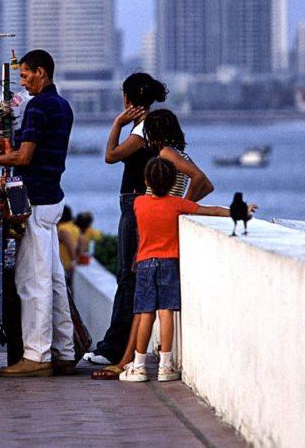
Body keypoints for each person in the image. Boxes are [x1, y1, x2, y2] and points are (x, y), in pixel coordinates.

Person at [92, 107, 215, 380]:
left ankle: (127, 361)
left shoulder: (167, 154)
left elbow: (202, 181)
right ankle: (127, 360)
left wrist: (180, 207)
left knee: (142, 305)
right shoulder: (178, 154)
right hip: (160, 232)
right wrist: (183, 207)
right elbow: (203, 184)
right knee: (143, 304)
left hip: (152, 234)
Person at [119, 157, 256, 382]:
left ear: (146, 181)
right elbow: (210, 210)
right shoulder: (177, 204)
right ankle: (165, 366)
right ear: (173, 182)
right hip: (169, 263)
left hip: (144, 264)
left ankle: (139, 366)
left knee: (145, 315)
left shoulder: (139, 203)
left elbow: (143, 197)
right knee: (166, 313)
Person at [0, 49, 76, 377]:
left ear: (41, 72)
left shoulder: (38, 107)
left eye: (26, 75)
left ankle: (36, 355)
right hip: (52, 198)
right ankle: (64, 351)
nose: (23, 82)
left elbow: (25, 157)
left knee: (32, 280)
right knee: (55, 279)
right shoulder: (63, 106)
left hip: (37, 201)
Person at [83, 73, 166, 367]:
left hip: (134, 204)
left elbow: (111, 155)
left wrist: (117, 123)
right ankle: (116, 345)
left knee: (126, 276)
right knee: (128, 275)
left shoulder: (141, 130)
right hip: (136, 203)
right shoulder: (149, 126)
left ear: (127, 99)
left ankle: (113, 348)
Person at [57, 205, 80, 286]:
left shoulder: (63, 229)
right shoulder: (74, 227)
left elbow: (70, 246)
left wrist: (73, 261)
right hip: (70, 265)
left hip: (66, 266)